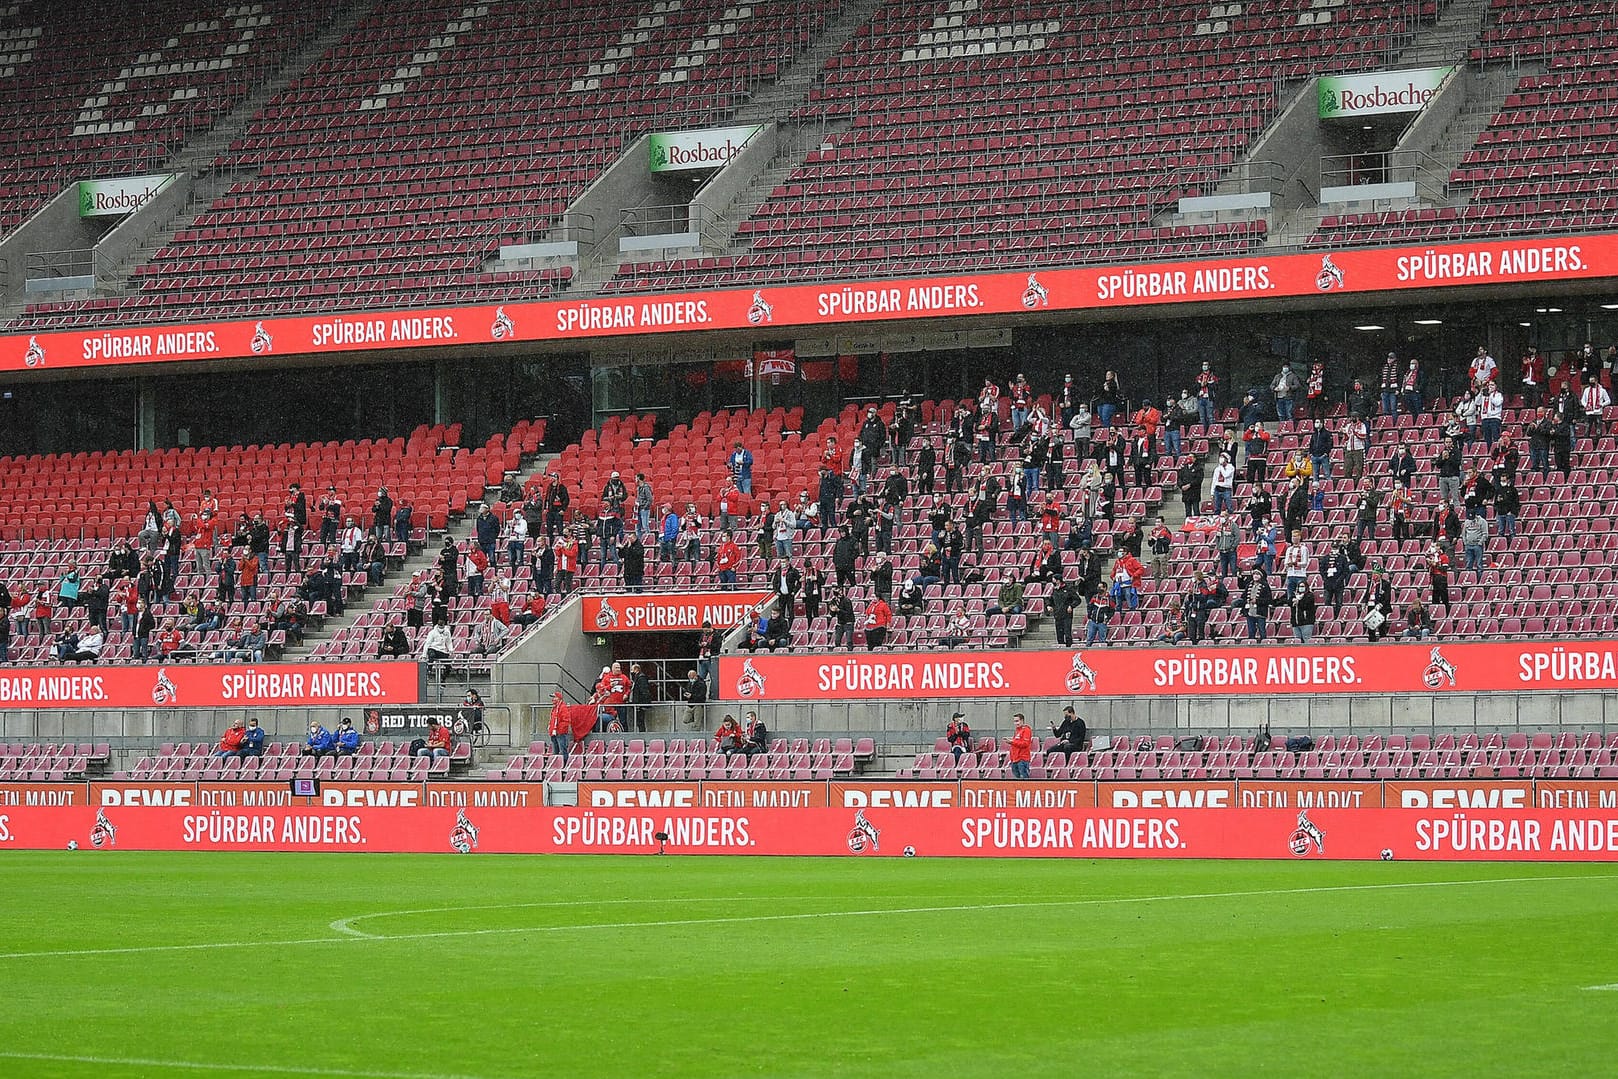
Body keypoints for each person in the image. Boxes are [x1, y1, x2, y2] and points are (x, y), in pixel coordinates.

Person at [1007, 714, 1034, 780]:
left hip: (1022, 758)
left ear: (1022, 720)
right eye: (1014, 721)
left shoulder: (1026, 730)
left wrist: (1012, 742)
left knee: (1023, 779)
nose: (1015, 723)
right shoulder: (1017, 730)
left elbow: (1025, 744)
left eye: (1017, 721)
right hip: (1015, 758)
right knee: (1017, 780)